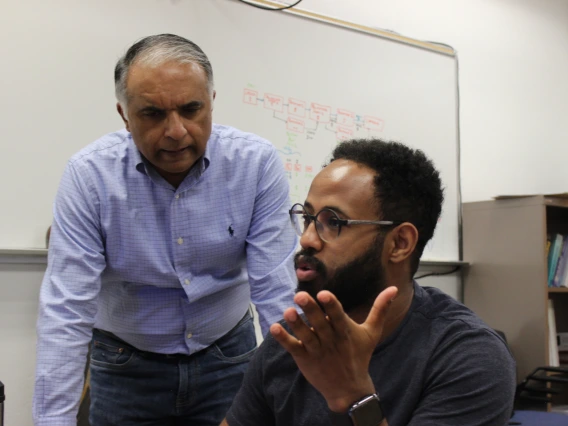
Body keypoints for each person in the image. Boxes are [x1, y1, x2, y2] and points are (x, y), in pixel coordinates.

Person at [33, 34, 298, 426]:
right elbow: (67, 310)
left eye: (192, 110)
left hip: (228, 355)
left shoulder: (255, 164)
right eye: (153, 114)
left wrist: (294, 405)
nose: (176, 131)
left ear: (211, 102)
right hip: (126, 363)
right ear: (124, 115)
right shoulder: (90, 176)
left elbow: (277, 294)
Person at [223, 139, 516, 426]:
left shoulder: (469, 357)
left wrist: (355, 397)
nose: (307, 239)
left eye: (333, 222)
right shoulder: (292, 340)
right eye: (308, 218)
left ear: (400, 243)